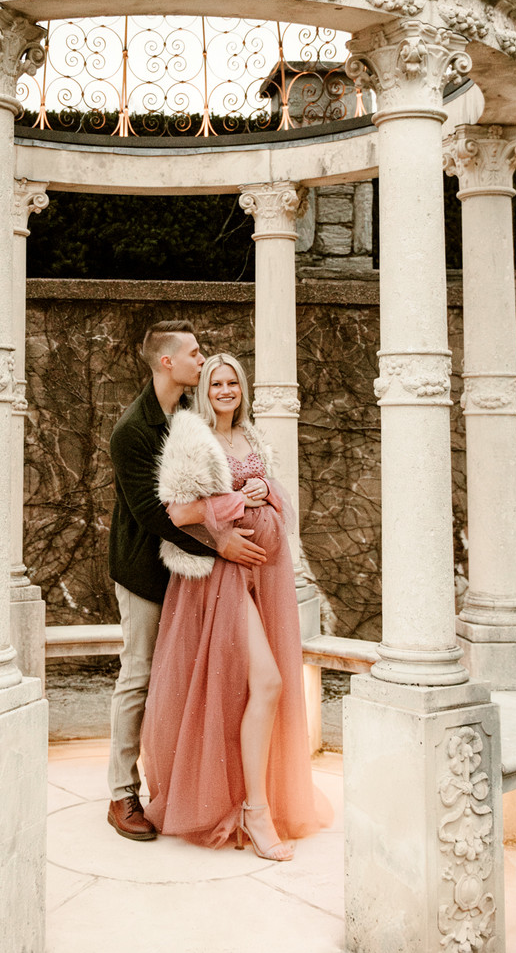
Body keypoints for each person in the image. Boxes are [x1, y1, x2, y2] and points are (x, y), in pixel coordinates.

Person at [140, 352, 330, 857]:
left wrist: (266, 487)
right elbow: (178, 511)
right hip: (219, 575)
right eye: (216, 383)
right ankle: (255, 811)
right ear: (204, 390)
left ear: (242, 389)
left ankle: (252, 799)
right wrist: (239, 500)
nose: (226, 390)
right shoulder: (191, 437)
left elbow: (277, 500)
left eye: (233, 383)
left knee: (250, 689)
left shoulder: (250, 436)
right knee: (267, 683)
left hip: (264, 573)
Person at [106, 323, 268, 842]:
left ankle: (178, 789)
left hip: (194, 573)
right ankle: (121, 793)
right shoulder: (132, 431)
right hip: (145, 571)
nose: (202, 360)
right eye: (194, 354)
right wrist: (221, 546)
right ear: (166, 362)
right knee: (139, 676)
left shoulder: (188, 414)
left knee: (188, 682)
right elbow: (153, 514)